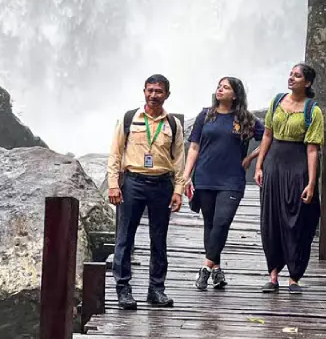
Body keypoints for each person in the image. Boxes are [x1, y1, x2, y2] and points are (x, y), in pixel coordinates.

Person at [107, 74, 185, 310]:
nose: (153, 95)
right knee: (125, 238)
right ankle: (123, 289)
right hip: (133, 183)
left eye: (158, 91)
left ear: (167, 95)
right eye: (150, 90)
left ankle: (156, 289)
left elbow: (179, 159)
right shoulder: (130, 118)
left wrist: (178, 190)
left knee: (158, 239)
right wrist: (113, 184)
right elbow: (115, 153)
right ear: (144, 92)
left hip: (162, 184)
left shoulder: (173, 124)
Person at [183, 77, 264, 291]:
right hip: (205, 177)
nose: (220, 89)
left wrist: (251, 158)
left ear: (235, 94)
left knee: (221, 223)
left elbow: (268, 138)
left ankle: (206, 269)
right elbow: (194, 147)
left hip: (232, 179)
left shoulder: (245, 118)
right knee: (210, 224)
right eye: (219, 86)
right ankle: (217, 269)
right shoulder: (206, 115)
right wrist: (185, 176)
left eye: (226, 87)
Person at [254, 63, 323, 294]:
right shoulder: (277, 101)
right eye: (291, 74)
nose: (291, 78)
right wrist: (259, 165)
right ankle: (272, 276)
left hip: (297, 166)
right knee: (271, 219)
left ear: (308, 82)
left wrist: (312, 183)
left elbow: (312, 149)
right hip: (274, 164)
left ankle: (294, 277)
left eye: (297, 75)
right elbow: (267, 135)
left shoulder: (313, 111)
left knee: (296, 219)